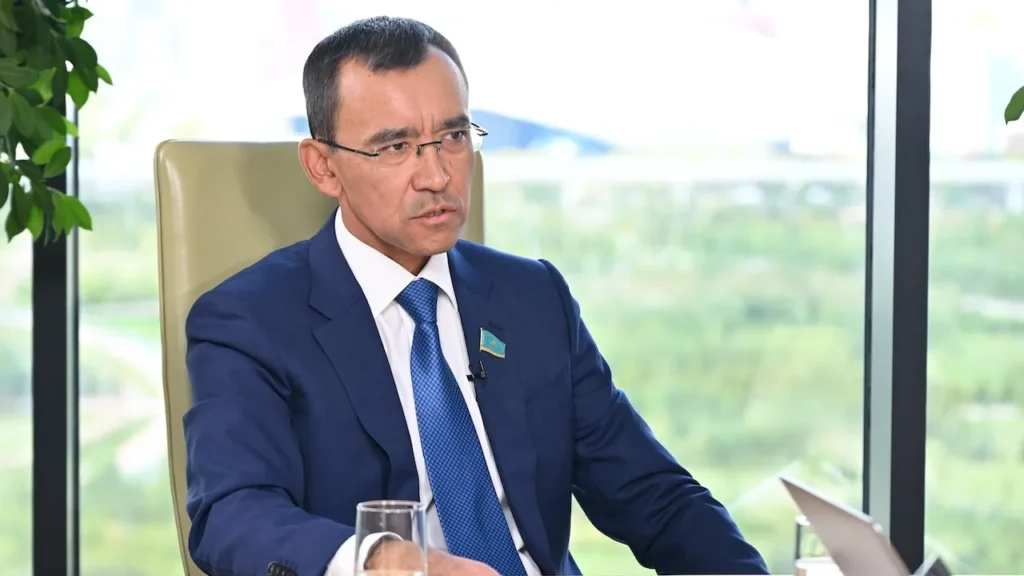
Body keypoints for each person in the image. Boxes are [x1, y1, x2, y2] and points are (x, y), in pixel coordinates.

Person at [183, 15, 769, 576]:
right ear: (324, 168)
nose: (437, 175)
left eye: (453, 136)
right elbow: (233, 515)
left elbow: (656, 497)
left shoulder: (533, 297)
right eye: (396, 147)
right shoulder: (249, 321)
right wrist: (390, 561)